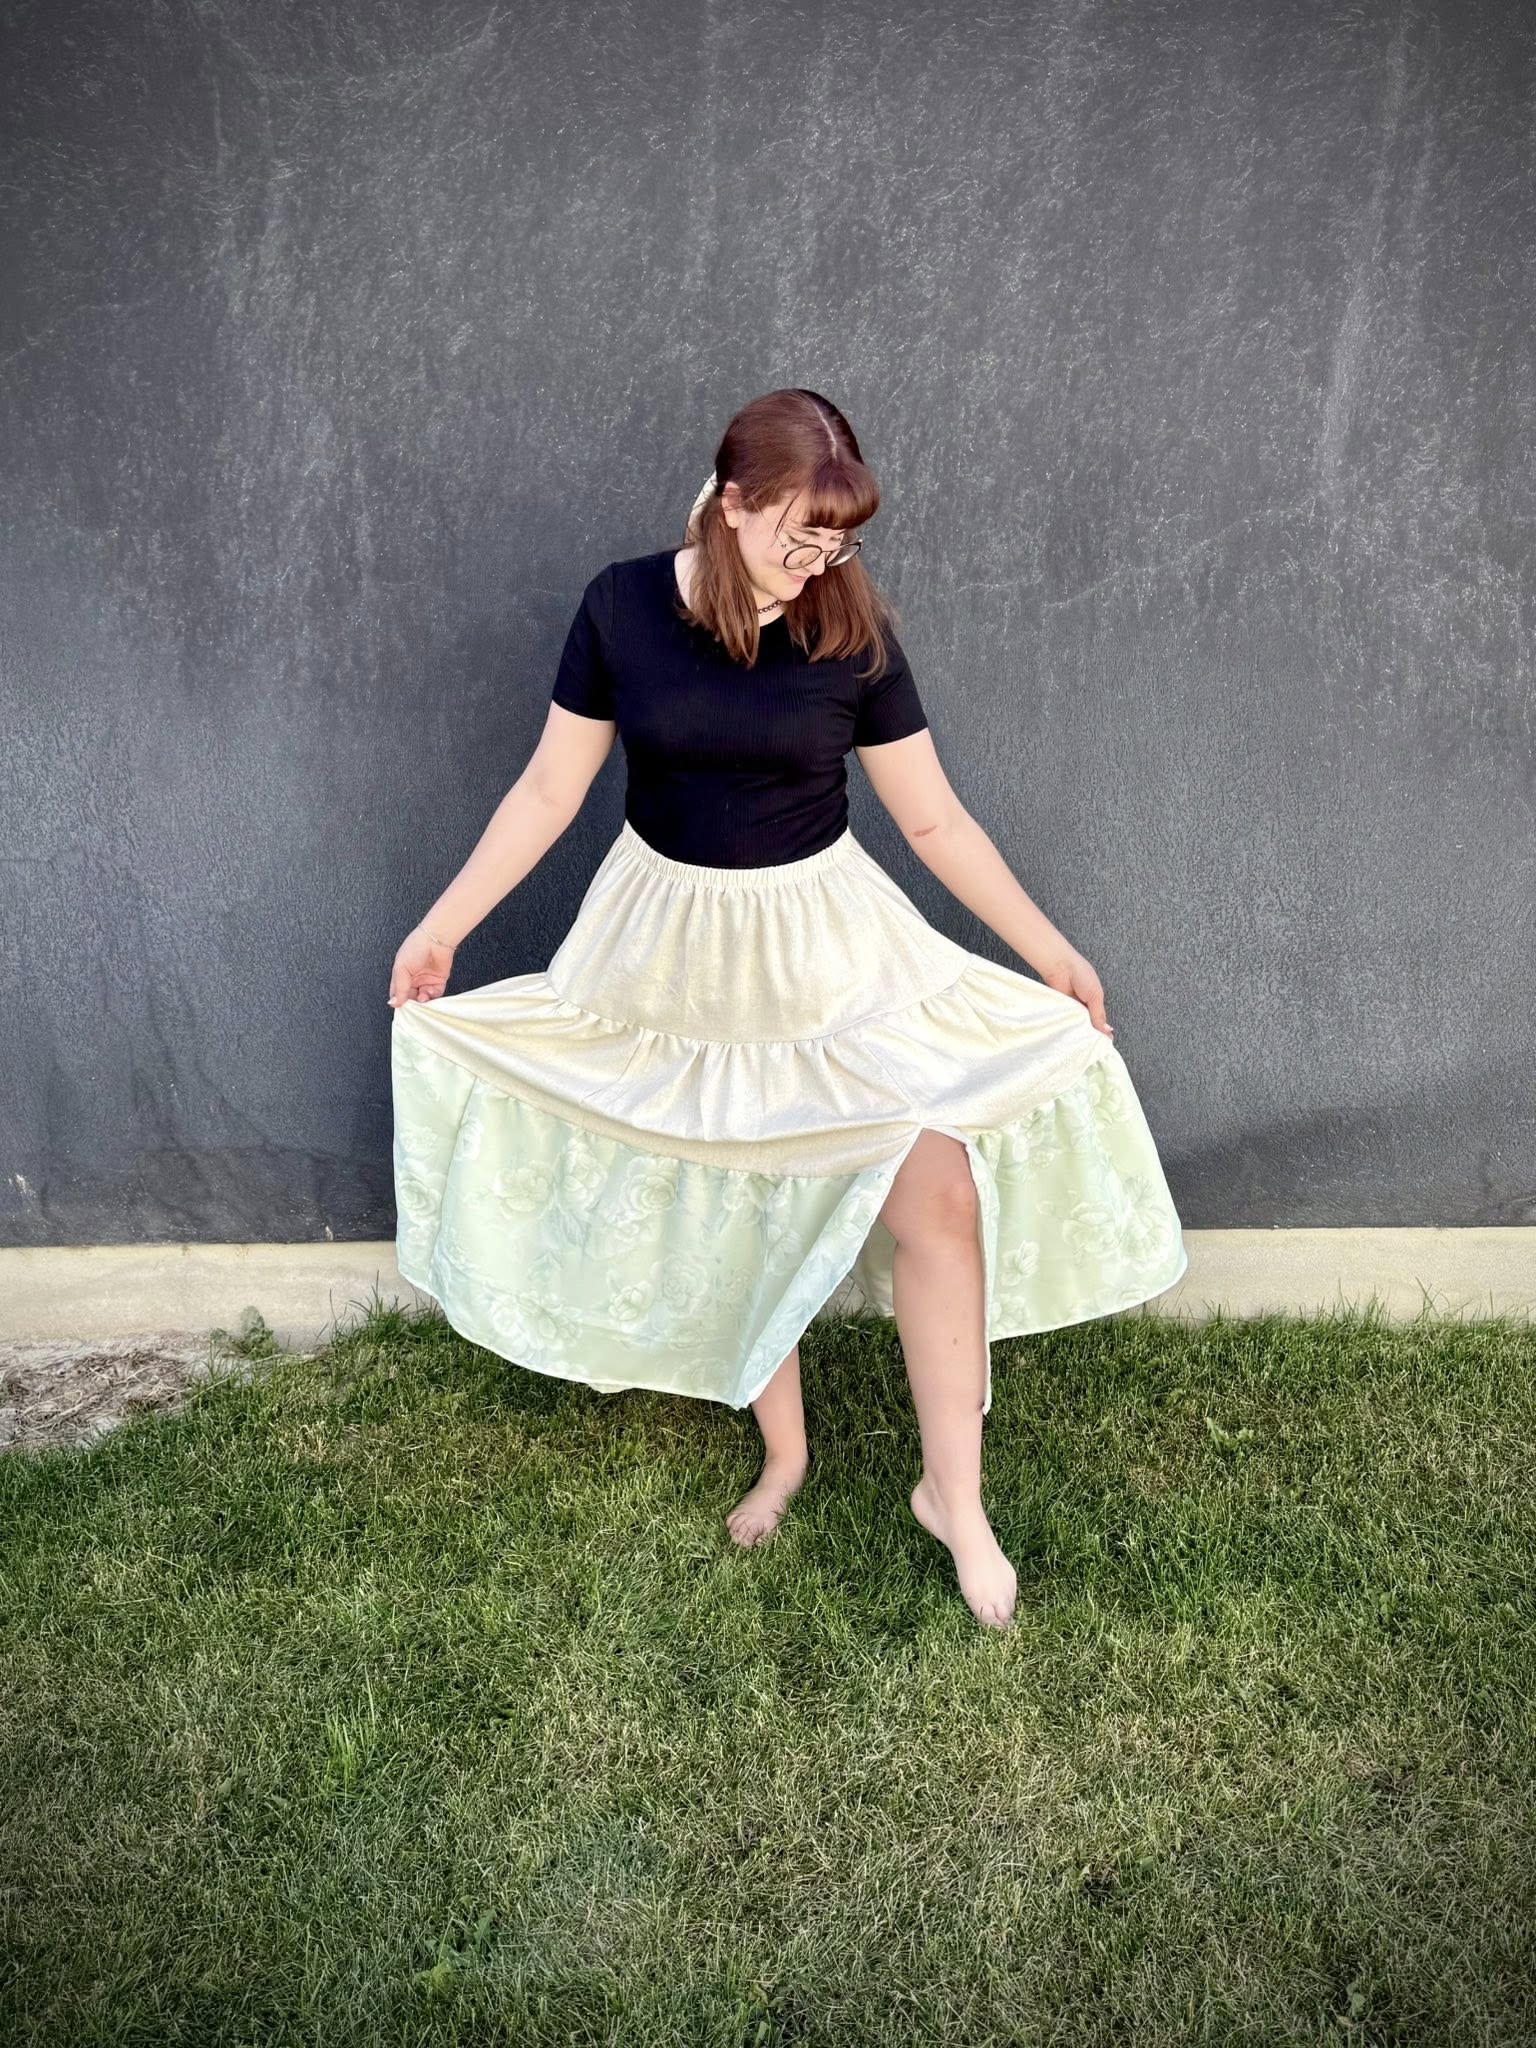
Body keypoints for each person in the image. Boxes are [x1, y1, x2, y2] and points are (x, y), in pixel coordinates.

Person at [387, 386, 1188, 1630]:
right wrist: (443, 925)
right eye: (799, 536)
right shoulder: (621, 607)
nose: (822, 560)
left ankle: (955, 1496)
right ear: (730, 502)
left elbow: (934, 819)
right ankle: (787, 1451)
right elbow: (549, 790)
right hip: (668, 951)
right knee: (742, 1191)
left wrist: (1052, 952)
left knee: (939, 1189)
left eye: (840, 539)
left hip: (828, 948)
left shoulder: (849, 627)